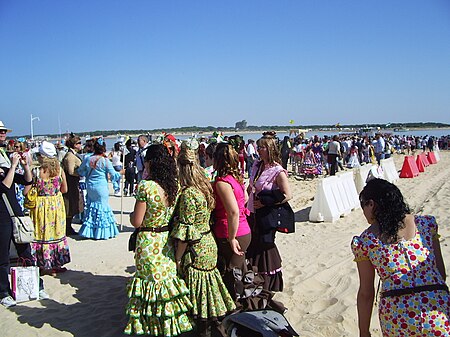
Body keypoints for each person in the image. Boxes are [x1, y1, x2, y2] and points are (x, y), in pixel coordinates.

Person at [351, 178, 450, 337]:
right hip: (435, 308)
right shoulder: (426, 224)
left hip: (397, 315)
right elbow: (440, 272)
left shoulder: (366, 241)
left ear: (371, 204)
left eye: (363, 206)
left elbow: (366, 293)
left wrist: (364, 332)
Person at [124, 144, 193, 336]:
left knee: (149, 285)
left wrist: (131, 215)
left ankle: (150, 326)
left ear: (150, 163)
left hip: (148, 239)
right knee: (166, 282)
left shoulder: (146, 187)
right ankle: (168, 326)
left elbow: (137, 221)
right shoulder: (173, 186)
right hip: (166, 239)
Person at [172, 140, 235, 337]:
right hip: (209, 242)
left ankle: (202, 330)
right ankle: (210, 326)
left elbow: (186, 233)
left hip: (196, 248)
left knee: (197, 295)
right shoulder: (204, 186)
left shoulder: (189, 194)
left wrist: (178, 258)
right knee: (208, 291)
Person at [0, 151, 50, 307]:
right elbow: (3, 187)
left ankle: (37, 285)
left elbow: (27, 181)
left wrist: (25, 166)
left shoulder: (7, 168)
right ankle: (3, 292)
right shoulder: (8, 170)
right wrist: (13, 166)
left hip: (16, 215)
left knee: (26, 251)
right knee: (3, 257)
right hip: (2, 218)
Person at [247, 135, 292, 292]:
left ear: (271, 149)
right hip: (253, 211)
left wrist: (267, 202)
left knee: (266, 246)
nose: (259, 150)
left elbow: (287, 195)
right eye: (258, 147)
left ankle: (269, 282)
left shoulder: (278, 171)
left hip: (267, 214)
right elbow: (251, 185)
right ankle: (256, 278)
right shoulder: (257, 165)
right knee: (255, 245)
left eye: (262, 147)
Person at [212, 142, 251, 300]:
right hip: (243, 229)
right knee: (239, 271)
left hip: (233, 232)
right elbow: (245, 199)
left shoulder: (222, 182)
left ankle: (237, 306)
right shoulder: (236, 178)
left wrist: (232, 238)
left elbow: (233, 212)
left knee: (231, 274)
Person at [30, 141, 70, 275]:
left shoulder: (36, 171)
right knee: (56, 232)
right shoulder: (59, 170)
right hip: (56, 204)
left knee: (41, 233)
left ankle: (42, 264)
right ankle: (56, 263)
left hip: (41, 205)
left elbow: (26, 191)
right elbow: (65, 189)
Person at [77, 137, 120, 240]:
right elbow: (114, 175)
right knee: (102, 208)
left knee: (92, 207)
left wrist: (88, 173)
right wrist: (121, 173)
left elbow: (80, 171)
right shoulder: (105, 161)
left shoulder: (88, 159)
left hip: (91, 186)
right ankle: (102, 232)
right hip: (101, 186)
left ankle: (91, 231)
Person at [62, 133, 83, 235]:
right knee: (69, 205)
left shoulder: (72, 155)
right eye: (79, 143)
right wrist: (80, 173)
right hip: (71, 182)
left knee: (72, 204)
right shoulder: (70, 156)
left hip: (73, 182)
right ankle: (67, 227)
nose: (80, 145)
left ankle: (68, 226)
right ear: (74, 145)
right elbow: (70, 171)